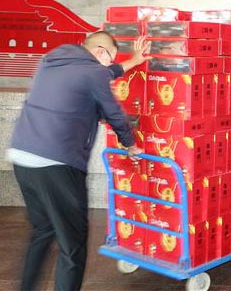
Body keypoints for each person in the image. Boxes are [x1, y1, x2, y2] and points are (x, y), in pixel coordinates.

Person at [8, 32, 148, 291]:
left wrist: (134, 61)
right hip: (57, 163)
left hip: (22, 156)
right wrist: (130, 144)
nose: (109, 65)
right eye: (110, 59)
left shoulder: (53, 60)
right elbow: (114, 113)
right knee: (73, 245)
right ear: (100, 52)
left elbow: (105, 73)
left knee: (43, 230)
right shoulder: (93, 72)